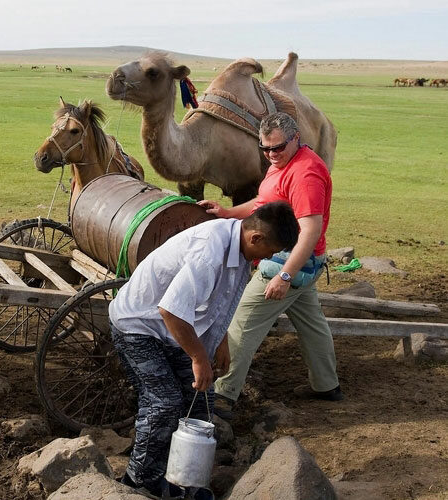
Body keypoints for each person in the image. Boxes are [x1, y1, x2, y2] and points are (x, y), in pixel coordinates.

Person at [110, 202, 299, 499]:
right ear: (256, 238)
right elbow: (170, 310)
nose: (270, 258)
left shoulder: (239, 249)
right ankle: (139, 481)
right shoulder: (209, 251)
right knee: (164, 403)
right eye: (271, 251)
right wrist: (199, 357)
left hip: (174, 330)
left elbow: (219, 300)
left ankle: (184, 479)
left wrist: (220, 341)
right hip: (139, 325)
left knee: (201, 402)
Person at [200, 112, 344, 421]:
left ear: (295, 139)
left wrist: (285, 275)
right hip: (297, 260)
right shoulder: (282, 165)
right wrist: (227, 212)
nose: (271, 155)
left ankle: (223, 398)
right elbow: (261, 205)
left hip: (290, 260)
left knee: (242, 321)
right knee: (312, 325)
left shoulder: (305, 174)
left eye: (277, 148)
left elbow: (310, 231)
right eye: (265, 149)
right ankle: (326, 386)